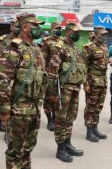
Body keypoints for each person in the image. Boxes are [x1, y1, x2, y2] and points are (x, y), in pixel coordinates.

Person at [0, 13, 46, 168]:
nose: (39, 28)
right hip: (18, 110)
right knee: (15, 152)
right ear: (25, 27)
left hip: (35, 109)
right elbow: (4, 83)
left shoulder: (36, 49)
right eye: (35, 25)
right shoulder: (13, 49)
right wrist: (4, 111)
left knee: (28, 148)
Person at [47, 22, 86, 162]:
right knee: (60, 119)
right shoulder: (60, 47)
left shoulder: (75, 48)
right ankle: (60, 148)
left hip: (75, 88)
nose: (78, 35)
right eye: (75, 32)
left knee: (70, 117)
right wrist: (52, 94)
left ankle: (68, 143)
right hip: (62, 90)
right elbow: (52, 72)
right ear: (68, 32)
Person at [82, 27, 109, 142]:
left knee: (99, 106)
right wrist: (85, 83)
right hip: (92, 81)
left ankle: (95, 128)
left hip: (103, 80)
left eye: (105, 35)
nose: (104, 36)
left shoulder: (105, 47)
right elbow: (84, 67)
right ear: (96, 35)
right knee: (90, 106)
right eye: (102, 35)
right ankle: (89, 131)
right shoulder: (89, 48)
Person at [41, 22, 63, 132]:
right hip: (50, 74)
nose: (59, 30)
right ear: (52, 30)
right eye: (57, 28)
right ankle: (50, 120)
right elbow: (42, 58)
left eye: (60, 28)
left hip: (61, 75)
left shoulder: (63, 42)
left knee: (58, 98)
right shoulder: (47, 42)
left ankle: (56, 119)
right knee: (49, 98)